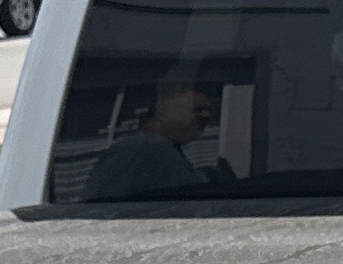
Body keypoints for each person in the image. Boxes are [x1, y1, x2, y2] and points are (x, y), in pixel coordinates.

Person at [83, 81, 232, 201]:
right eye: (197, 110)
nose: (205, 116)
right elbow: (100, 204)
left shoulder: (165, 149)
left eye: (209, 111)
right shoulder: (146, 149)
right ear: (163, 110)